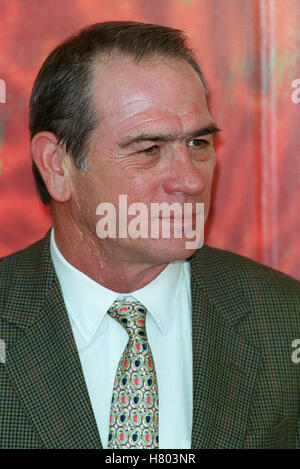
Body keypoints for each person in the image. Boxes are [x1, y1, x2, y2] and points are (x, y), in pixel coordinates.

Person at [0, 21, 299, 450]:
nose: (190, 181)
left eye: (198, 143)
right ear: (56, 166)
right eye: (148, 149)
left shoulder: (285, 322)